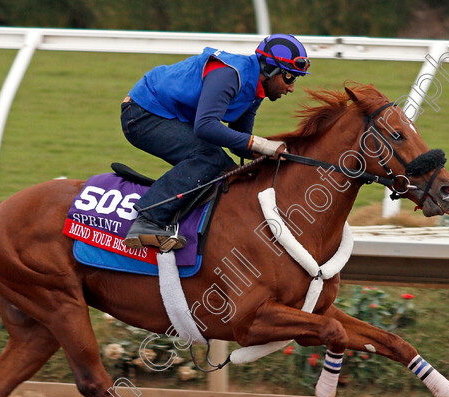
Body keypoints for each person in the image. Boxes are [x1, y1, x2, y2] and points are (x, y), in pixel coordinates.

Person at [121, 33, 310, 252]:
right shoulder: (229, 75)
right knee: (210, 157)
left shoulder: (255, 91)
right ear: (270, 69)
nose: (292, 87)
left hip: (166, 115)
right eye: (289, 78)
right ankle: (148, 220)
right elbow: (206, 126)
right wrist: (262, 145)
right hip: (142, 113)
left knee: (228, 168)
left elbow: (239, 142)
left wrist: (277, 155)